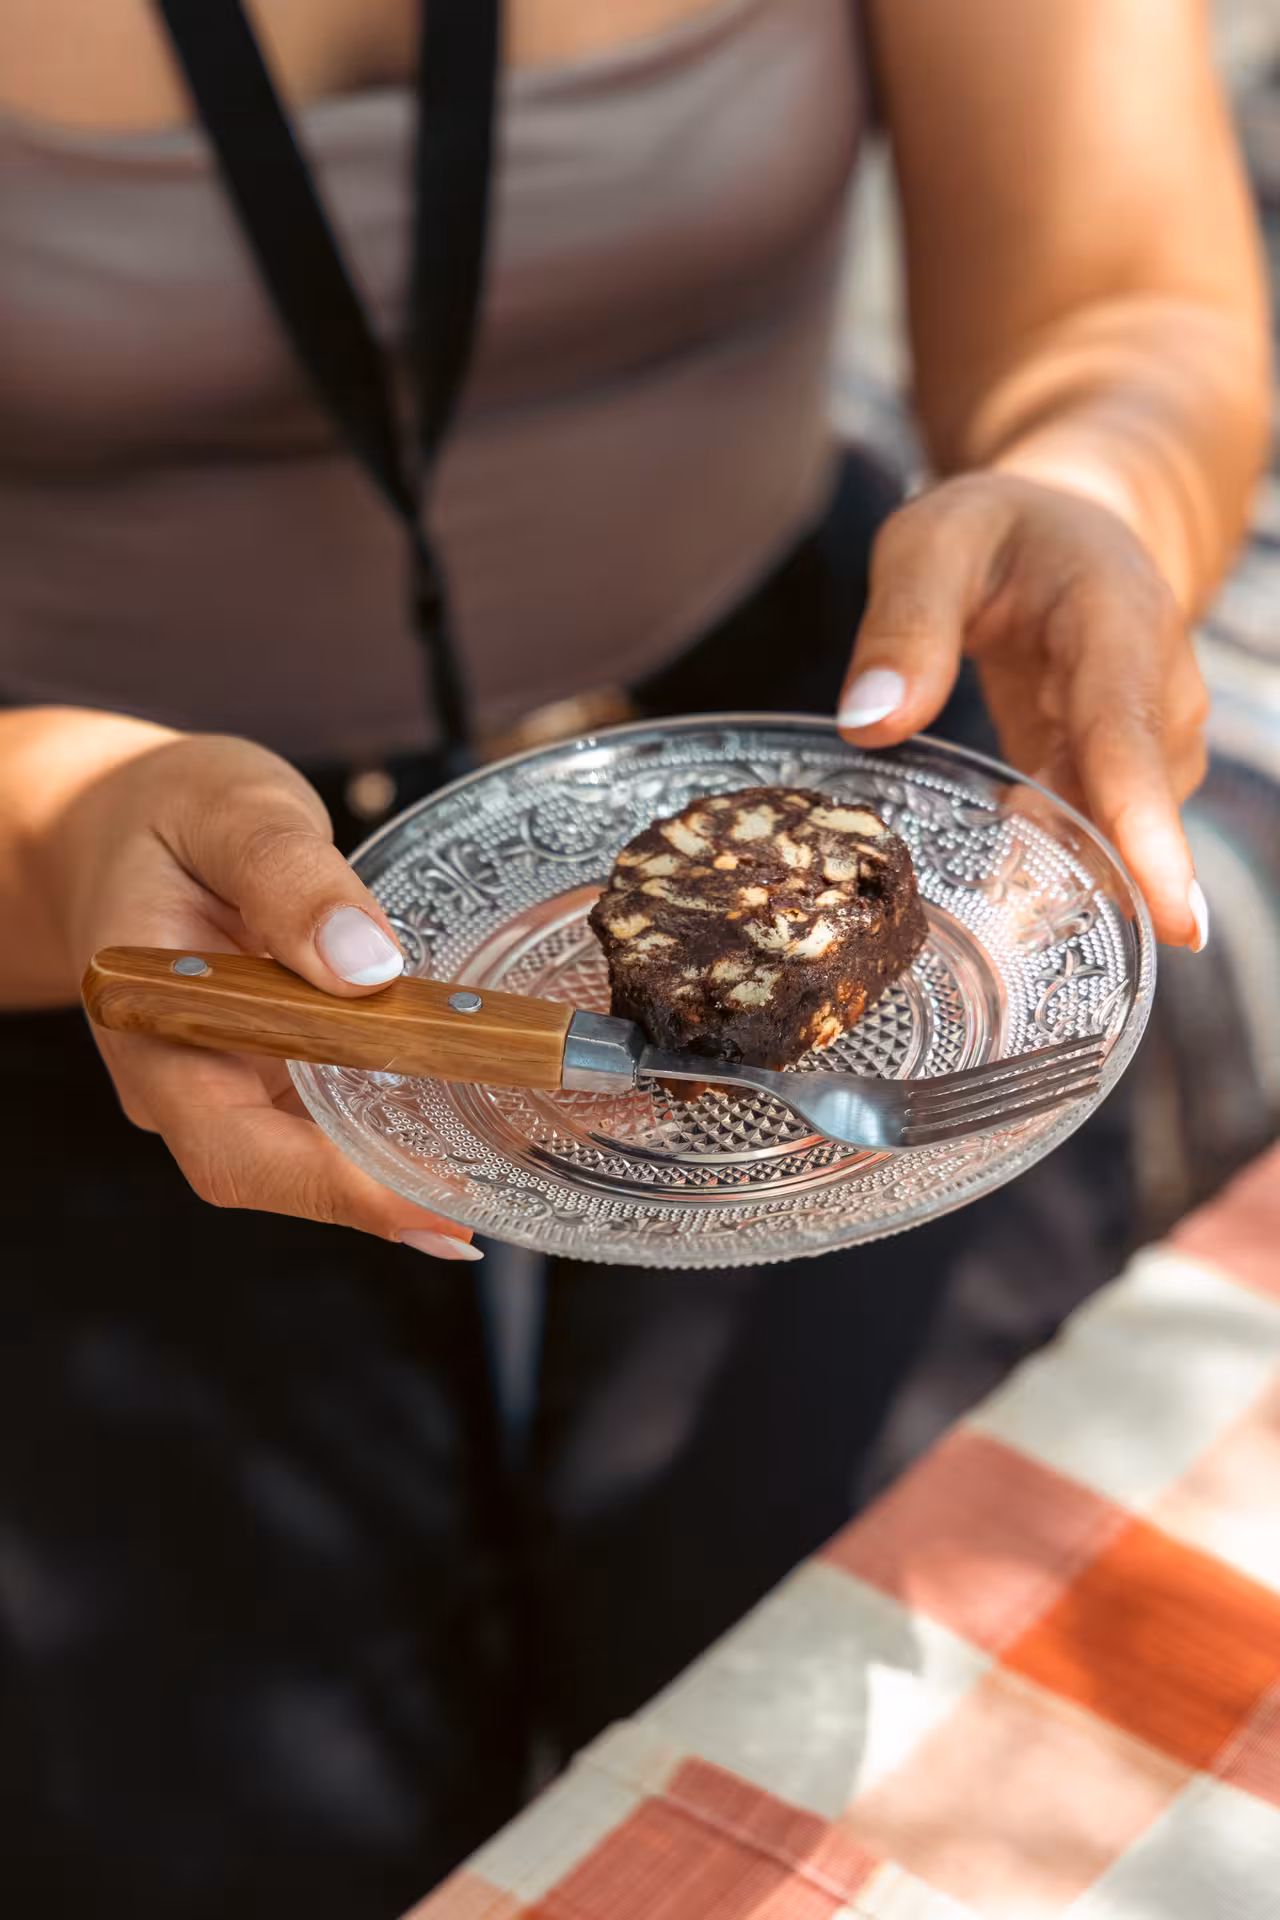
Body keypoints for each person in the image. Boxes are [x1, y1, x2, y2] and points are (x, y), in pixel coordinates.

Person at [0, 2, 1270, 1915]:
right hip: (105, 920)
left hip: (818, 770)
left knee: (836, 1713)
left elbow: (1124, 304)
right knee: (229, 1831)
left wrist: (1103, 501)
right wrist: (45, 831)